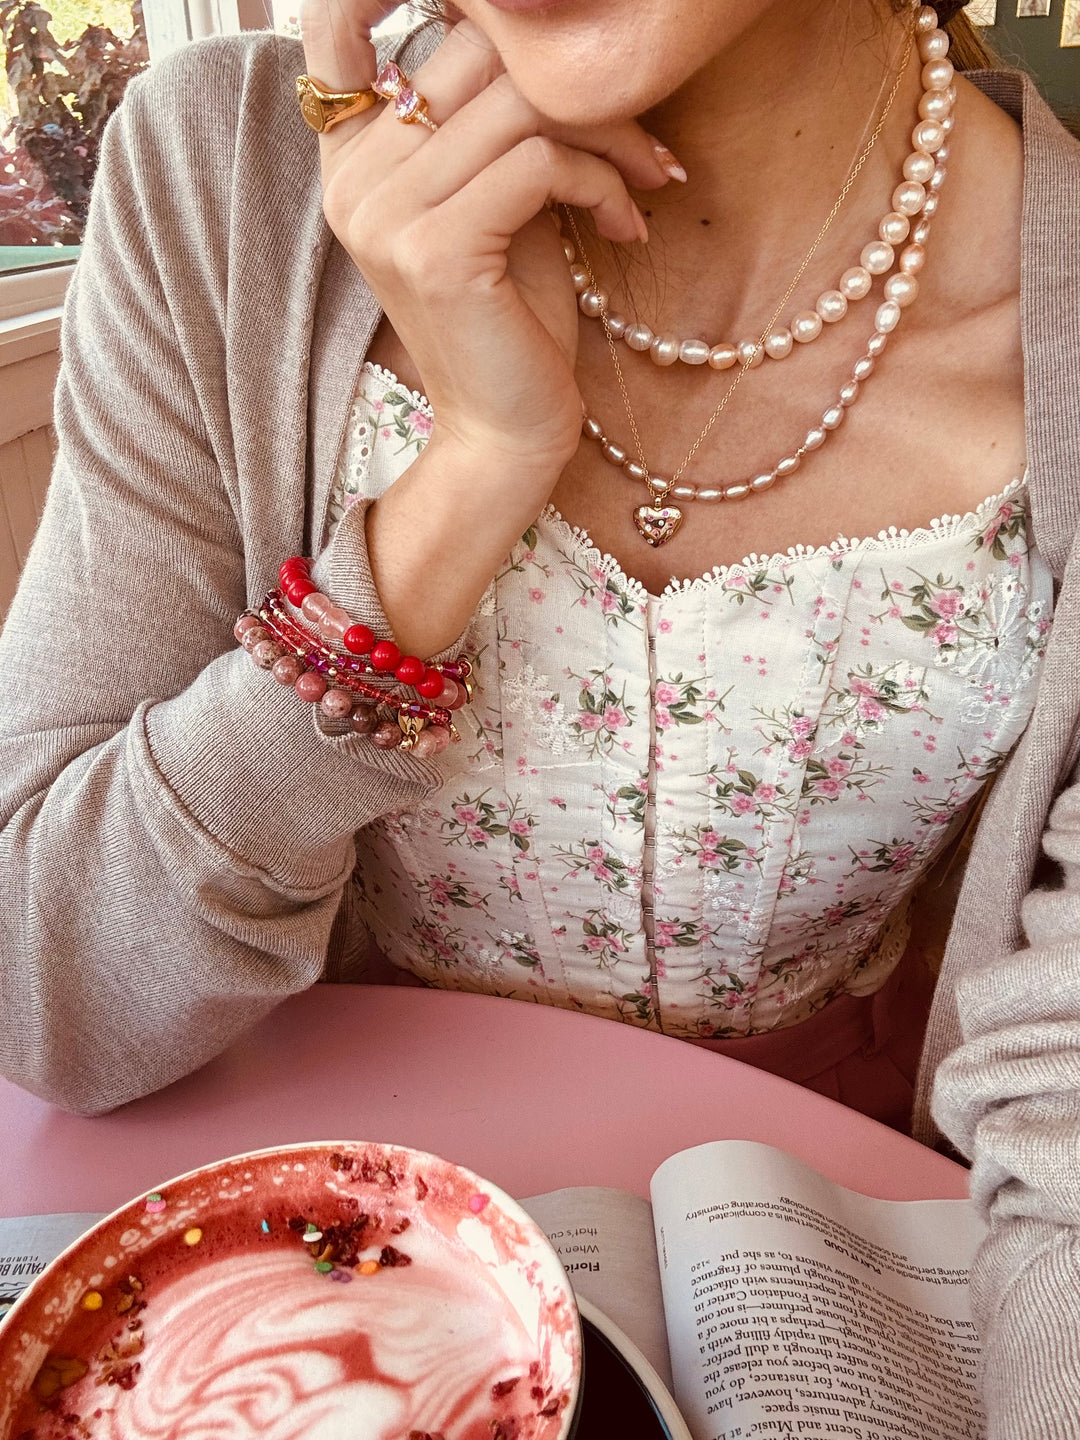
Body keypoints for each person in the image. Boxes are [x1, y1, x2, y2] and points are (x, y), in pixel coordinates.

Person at [1, 0, 1079, 1427]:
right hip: (317, 1231)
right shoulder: (223, 177)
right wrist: (465, 487)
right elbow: (50, 990)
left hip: (862, 1198)